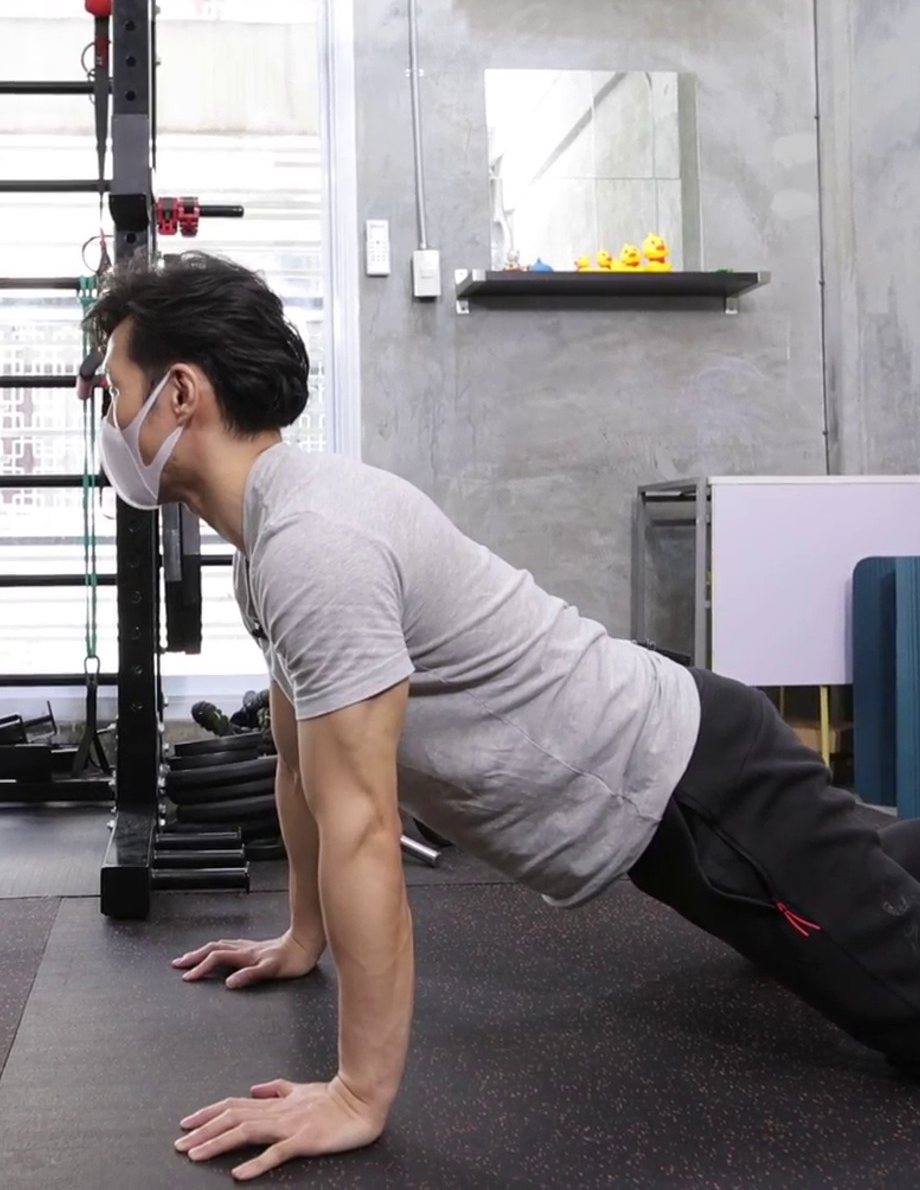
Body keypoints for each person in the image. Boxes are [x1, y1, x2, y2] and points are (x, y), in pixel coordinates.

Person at [84, 251, 920, 1182]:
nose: (111, 419)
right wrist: (304, 935)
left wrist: (358, 1094)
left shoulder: (315, 547)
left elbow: (362, 826)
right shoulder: (270, 539)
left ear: (182, 393)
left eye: (117, 391)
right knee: (861, 874)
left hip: (697, 790)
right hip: (676, 777)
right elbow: (296, 762)